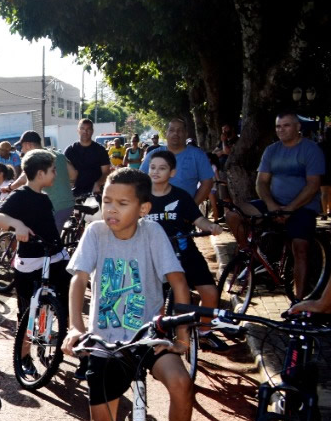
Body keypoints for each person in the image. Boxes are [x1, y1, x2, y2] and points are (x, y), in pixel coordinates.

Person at [63, 168, 193, 421]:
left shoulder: (153, 233)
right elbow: (79, 279)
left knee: (182, 382)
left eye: (122, 203)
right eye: (106, 200)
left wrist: (180, 338)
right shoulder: (95, 233)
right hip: (106, 342)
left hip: (148, 339)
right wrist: (75, 327)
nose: (111, 209)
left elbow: (179, 282)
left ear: (143, 207)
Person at [225, 111, 325, 299]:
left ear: (298, 127)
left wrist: (289, 209)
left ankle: (297, 301)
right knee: (233, 214)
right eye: (278, 126)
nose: (281, 130)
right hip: (273, 204)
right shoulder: (271, 150)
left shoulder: (311, 150)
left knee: (300, 249)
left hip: (302, 208)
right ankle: (249, 254)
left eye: (286, 125)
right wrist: (272, 206)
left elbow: (313, 185)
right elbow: (261, 182)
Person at [0, 149, 70, 378]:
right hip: (29, 261)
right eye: (53, 170)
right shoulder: (21, 195)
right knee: (27, 312)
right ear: (40, 173)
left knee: (61, 302)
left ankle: (50, 341)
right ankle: (24, 355)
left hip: (53, 256)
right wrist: (17, 225)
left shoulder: (45, 198)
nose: (56, 174)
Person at [145, 148, 227, 350]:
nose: (156, 172)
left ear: (172, 172)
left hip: (184, 250)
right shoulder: (141, 196)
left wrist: (211, 226)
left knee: (210, 292)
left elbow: (198, 219)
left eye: (162, 168)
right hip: (151, 255)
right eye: (152, 167)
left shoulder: (181, 196)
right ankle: (157, 337)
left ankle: (205, 331)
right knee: (155, 303)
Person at [138, 117, 215, 208]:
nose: (175, 133)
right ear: (166, 133)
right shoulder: (153, 155)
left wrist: (191, 208)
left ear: (186, 134)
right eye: (172, 130)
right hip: (154, 211)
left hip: (185, 213)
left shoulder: (198, 155)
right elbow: (140, 181)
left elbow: (207, 183)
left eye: (180, 130)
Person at [9, 131, 76, 231]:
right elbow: (74, 174)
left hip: (55, 207)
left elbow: (23, 179)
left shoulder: (35, 158)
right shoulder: (57, 154)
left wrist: (9, 187)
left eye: (21, 147)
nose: (22, 150)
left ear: (28, 145)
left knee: (48, 242)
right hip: (69, 205)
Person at [65, 118, 112, 196]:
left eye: (88, 129)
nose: (85, 132)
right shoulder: (70, 150)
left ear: (92, 131)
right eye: (82, 128)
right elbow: (64, 172)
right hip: (75, 193)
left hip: (96, 192)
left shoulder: (100, 150)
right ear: (78, 130)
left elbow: (106, 172)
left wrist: (98, 183)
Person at [319, 126, 331, 218]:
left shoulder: (320, 145)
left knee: (324, 193)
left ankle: (324, 212)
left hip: (322, 170)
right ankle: (330, 210)